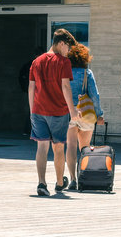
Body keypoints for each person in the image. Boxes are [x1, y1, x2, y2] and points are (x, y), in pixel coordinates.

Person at [28, 28, 80, 196]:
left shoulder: (36, 61)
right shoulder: (63, 62)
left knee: (41, 146)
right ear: (61, 43)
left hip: (38, 111)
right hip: (58, 111)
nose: (69, 52)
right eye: (68, 48)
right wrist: (72, 111)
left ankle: (41, 184)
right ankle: (59, 183)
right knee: (58, 147)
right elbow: (65, 86)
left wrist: (32, 111)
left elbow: (31, 88)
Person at [66, 43, 105, 190]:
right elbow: (95, 96)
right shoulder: (86, 73)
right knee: (85, 148)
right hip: (86, 113)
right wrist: (99, 114)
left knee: (70, 145)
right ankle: (84, 176)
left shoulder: (65, 73)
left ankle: (72, 179)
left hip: (69, 112)